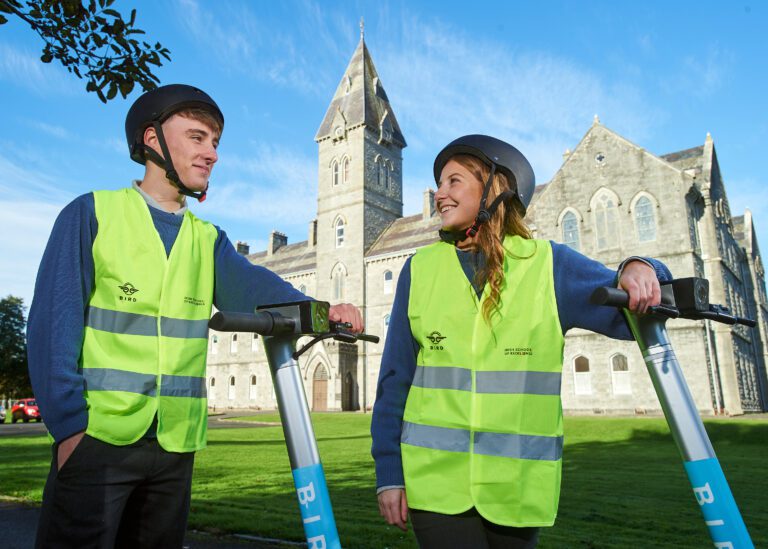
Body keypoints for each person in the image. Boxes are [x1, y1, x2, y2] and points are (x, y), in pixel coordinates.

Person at [27, 84, 363, 548]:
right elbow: (51, 329)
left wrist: (324, 313)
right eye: (197, 137)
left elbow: (257, 291)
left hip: (173, 447)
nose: (212, 154)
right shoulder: (92, 215)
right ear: (152, 140)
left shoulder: (207, 240)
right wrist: (69, 430)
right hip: (98, 441)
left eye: (215, 143)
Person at [370, 135, 671, 548]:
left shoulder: (548, 265)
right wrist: (389, 473)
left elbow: (634, 313)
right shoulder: (418, 270)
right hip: (436, 488)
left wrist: (641, 266)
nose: (439, 194)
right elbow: (394, 379)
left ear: (494, 189)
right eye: (440, 184)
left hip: (517, 489)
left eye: (454, 181)